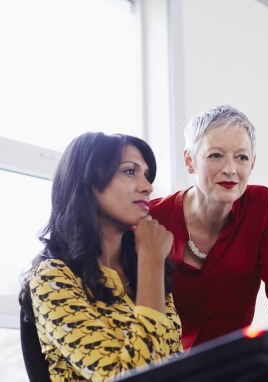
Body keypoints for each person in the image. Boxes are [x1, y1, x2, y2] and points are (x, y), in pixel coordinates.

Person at [149, 104, 268, 351]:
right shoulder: (153, 220)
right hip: (168, 369)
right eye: (216, 155)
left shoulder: (262, 208)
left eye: (242, 157)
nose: (230, 169)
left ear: (252, 163)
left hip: (231, 367)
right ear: (189, 161)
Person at [19, 132, 183, 381]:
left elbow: (174, 364)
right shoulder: (52, 277)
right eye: (130, 171)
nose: (147, 186)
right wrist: (151, 260)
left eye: (147, 176)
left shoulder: (142, 268)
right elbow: (126, 377)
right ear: (90, 182)